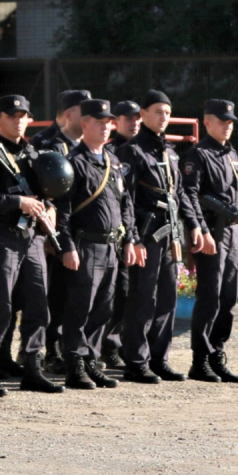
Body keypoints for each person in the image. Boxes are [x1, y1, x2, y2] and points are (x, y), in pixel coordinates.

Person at [0, 94, 63, 396]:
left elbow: (45, 190)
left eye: (23, 115)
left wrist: (48, 206)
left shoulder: (33, 153)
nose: (18, 120)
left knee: (38, 304)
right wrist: (17, 202)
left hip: (33, 238)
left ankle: (33, 367)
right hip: (3, 238)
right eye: (12, 115)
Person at [118, 89, 203, 384]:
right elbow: (125, 198)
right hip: (146, 234)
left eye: (167, 112)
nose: (163, 117)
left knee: (167, 297)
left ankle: (159, 358)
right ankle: (136, 361)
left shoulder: (169, 151)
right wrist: (133, 237)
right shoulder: (132, 151)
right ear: (142, 114)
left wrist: (193, 225)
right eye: (157, 111)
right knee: (143, 297)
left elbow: (179, 193)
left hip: (171, 234)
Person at [54, 99, 137, 389]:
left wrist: (129, 239)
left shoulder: (112, 160)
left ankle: (92, 359)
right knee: (80, 307)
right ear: (84, 123)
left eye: (108, 122)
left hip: (111, 246)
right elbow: (62, 211)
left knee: (104, 307)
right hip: (85, 245)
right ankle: (74, 364)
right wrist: (67, 246)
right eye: (99, 122)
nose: (105, 127)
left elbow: (125, 204)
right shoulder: (74, 162)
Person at [182, 99, 238, 383]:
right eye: (222, 121)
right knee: (210, 296)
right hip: (212, 232)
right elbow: (189, 195)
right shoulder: (197, 155)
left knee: (229, 297)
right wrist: (200, 231)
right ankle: (199, 360)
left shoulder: (230, 154)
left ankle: (217, 353)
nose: (227, 126)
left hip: (233, 232)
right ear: (207, 122)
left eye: (230, 122)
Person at [33, 89, 90, 374]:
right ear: (69, 114)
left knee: (75, 295)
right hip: (53, 232)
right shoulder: (46, 144)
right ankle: (47, 350)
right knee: (52, 293)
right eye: (85, 111)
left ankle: (75, 350)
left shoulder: (88, 146)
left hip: (81, 232)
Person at [101, 99, 142, 368]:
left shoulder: (144, 149)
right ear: (115, 122)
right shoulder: (110, 152)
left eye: (137, 117)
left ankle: (126, 343)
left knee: (131, 293)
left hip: (138, 229)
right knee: (112, 292)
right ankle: (107, 345)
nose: (133, 122)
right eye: (127, 118)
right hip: (112, 231)